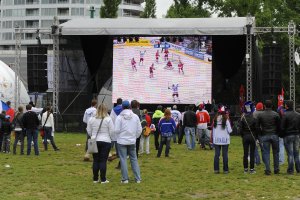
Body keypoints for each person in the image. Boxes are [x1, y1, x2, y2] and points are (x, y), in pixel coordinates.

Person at [115, 100, 142, 183]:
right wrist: (135, 137)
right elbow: (139, 129)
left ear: (122, 107)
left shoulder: (119, 117)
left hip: (122, 141)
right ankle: (138, 178)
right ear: (130, 107)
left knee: (123, 160)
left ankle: (125, 179)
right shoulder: (135, 117)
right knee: (134, 159)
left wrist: (119, 137)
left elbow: (116, 130)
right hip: (132, 141)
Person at [87, 103, 114, 183]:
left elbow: (88, 130)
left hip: (94, 140)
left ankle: (95, 179)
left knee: (95, 160)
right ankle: (103, 179)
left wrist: (93, 135)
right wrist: (109, 137)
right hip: (106, 141)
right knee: (103, 161)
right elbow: (112, 131)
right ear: (106, 110)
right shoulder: (108, 119)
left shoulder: (92, 119)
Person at [256, 100, 281, 175]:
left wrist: (260, 133)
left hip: (265, 135)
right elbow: (279, 126)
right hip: (274, 135)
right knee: (276, 152)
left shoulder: (260, 115)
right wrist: (277, 133)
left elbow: (257, 126)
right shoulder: (276, 114)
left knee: (266, 153)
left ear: (264, 106)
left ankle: (267, 169)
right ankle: (276, 169)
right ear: (272, 106)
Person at [281, 100, 300, 174]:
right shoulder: (298, 115)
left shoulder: (285, 115)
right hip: (297, 135)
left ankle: (290, 170)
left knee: (290, 153)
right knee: (296, 152)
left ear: (287, 106)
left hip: (288, 135)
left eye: (285, 105)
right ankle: (298, 169)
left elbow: (282, 127)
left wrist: (282, 135)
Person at [212, 106, 233, 174]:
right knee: (225, 155)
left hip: (216, 140)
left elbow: (213, 130)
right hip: (225, 140)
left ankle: (216, 170)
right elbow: (230, 131)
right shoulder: (226, 120)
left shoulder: (215, 119)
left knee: (216, 155)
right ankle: (225, 170)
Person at [239, 101, 257, 174]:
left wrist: (243, 136)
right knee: (252, 153)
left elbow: (240, 129)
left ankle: (245, 169)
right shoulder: (254, 117)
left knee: (245, 153)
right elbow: (256, 128)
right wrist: (256, 137)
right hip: (252, 136)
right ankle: (252, 169)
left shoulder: (242, 117)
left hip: (245, 136)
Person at [110, 98, 123, 169]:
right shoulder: (124, 109)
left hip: (115, 128)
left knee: (114, 140)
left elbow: (111, 119)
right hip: (122, 129)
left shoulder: (113, 109)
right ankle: (119, 154)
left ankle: (115, 153)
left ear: (116, 102)